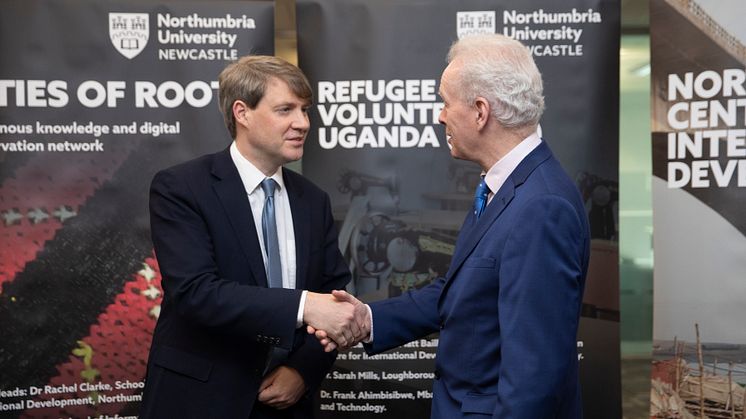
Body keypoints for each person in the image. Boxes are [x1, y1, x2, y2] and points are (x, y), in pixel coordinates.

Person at [312, 34, 590, 418]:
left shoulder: (541, 206)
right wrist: (368, 319)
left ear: (480, 111)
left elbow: (533, 377)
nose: (440, 115)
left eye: (445, 102)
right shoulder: (505, 186)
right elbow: (462, 291)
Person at [140, 55, 364, 419]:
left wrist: (302, 372)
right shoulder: (182, 187)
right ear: (242, 113)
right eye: (285, 110)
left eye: (305, 110)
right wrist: (304, 306)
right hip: (201, 399)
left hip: (287, 405)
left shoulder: (313, 200)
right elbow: (195, 292)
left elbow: (334, 294)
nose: (302, 123)